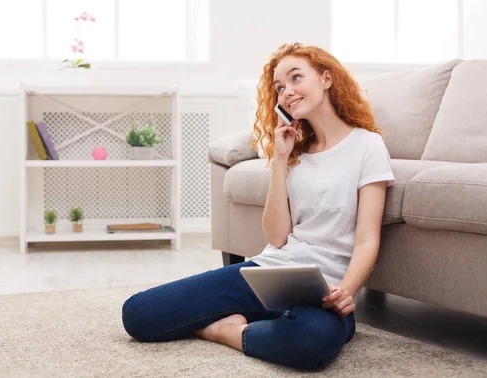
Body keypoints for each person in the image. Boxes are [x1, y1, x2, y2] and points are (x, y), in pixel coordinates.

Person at [121, 42, 395, 370]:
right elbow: (277, 238)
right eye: (280, 87)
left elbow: (367, 239)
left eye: (296, 78)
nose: (287, 92)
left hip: (327, 290)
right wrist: (280, 160)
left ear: (326, 78)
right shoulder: (295, 153)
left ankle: (225, 331)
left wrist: (347, 292)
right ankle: (262, 326)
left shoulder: (367, 145)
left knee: (310, 339)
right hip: (268, 272)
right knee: (138, 314)